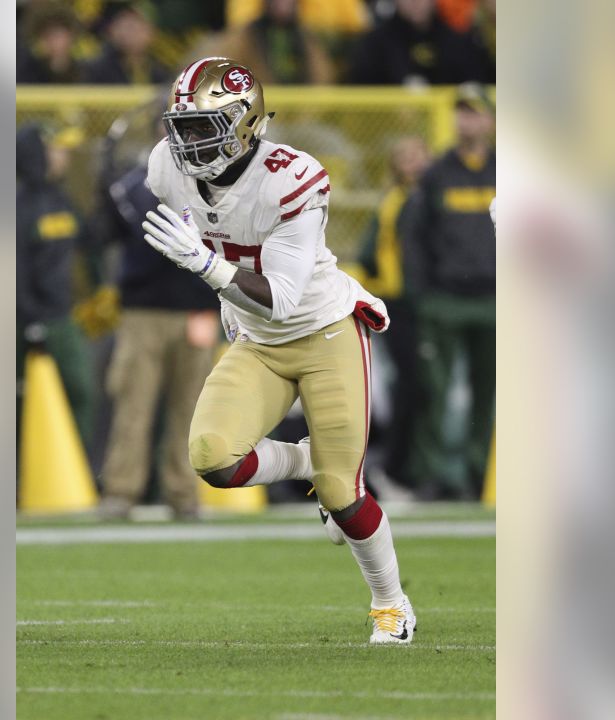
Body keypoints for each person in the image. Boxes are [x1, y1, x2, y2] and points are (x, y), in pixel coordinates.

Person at [141, 57, 416, 643]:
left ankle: (391, 605)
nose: (186, 144)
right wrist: (216, 279)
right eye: (181, 127)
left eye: (201, 128)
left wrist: (210, 269)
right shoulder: (167, 166)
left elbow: (285, 298)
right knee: (213, 458)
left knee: (343, 492)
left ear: (244, 124)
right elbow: (208, 232)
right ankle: (302, 460)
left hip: (323, 332)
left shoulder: (291, 177)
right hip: (257, 340)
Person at [97, 163, 220, 520]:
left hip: (198, 310)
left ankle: (184, 493)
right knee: (134, 403)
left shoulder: (214, 179)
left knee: (192, 408)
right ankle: (121, 490)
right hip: (145, 311)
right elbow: (126, 232)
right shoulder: (134, 184)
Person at [401, 84, 496, 499]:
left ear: (490, 120)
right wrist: (421, 294)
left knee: (489, 392)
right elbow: (415, 238)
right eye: (461, 112)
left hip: (495, 299)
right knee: (435, 391)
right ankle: (436, 477)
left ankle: (481, 474)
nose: (466, 121)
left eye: (474, 112)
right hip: (445, 299)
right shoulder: (438, 173)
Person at [356, 136, 431, 491]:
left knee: (415, 386)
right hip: (400, 302)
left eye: (416, 155)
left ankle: (405, 465)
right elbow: (371, 251)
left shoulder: (419, 198)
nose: (411, 163)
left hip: (419, 301)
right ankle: (397, 466)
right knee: (409, 386)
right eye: (404, 156)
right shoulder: (397, 198)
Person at [16, 124, 95, 450]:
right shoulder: (19, 205)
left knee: (80, 391)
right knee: (22, 400)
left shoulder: (61, 200)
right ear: (39, 155)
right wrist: (30, 320)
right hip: (27, 320)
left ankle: (75, 472)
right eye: (57, 150)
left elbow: (93, 240)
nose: (64, 157)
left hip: (62, 317)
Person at [345, 0, 493, 86]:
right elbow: (363, 89)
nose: (416, 2)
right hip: (392, 130)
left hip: (454, 130)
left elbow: (476, 86)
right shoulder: (374, 43)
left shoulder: (458, 41)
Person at [200, 0, 335, 85]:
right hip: (260, 114)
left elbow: (322, 77)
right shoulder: (244, 38)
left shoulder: (308, 39)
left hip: (302, 116)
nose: (284, 3)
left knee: (330, 132)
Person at [79, 1, 172, 85]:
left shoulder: (162, 71)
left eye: (135, 26)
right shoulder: (94, 70)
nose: (128, 32)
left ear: (152, 32)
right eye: (123, 25)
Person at [17, 0, 81, 84]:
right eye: (47, 36)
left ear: (71, 36)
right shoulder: (27, 72)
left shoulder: (86, 72)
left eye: (57, 35)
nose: (53, 42)